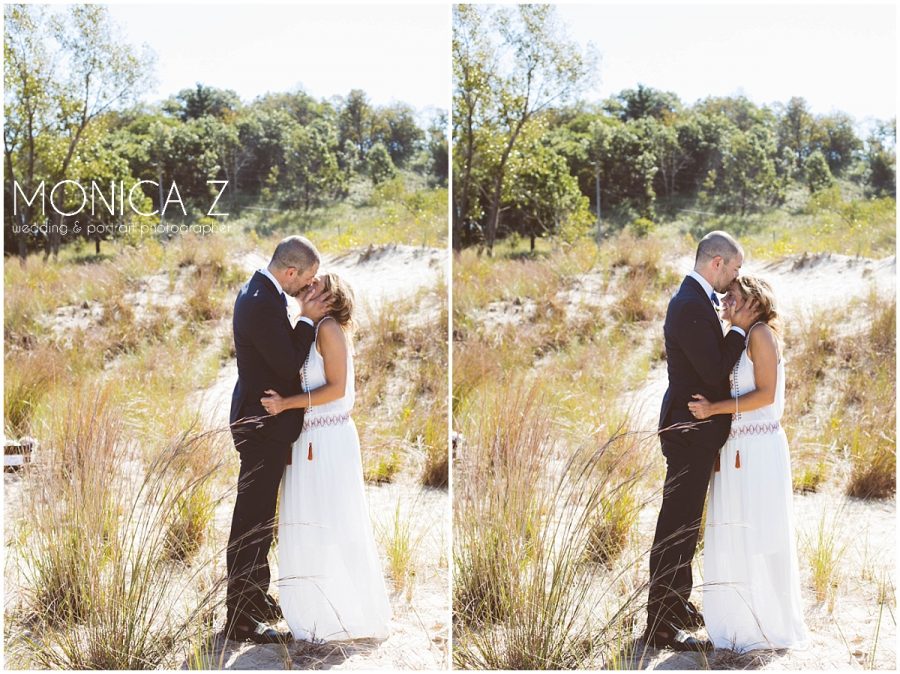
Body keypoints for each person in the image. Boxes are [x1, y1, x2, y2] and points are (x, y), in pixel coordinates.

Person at [261, 272, 392, 642]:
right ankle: (316, 611)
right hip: (307, 438)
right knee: (308, 522)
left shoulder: (329, 329)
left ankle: (352, 614)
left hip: (330, 437)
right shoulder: (306, 329)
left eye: (318, 285)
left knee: (336, 520)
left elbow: (335, 389)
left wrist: (286, 403)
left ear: (332, 299)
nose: (309, 286)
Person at [644, 231, 758, 652]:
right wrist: (740, 332)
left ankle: (674, 606)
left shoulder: (695, 299)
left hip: (693, 433)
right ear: (717, 264)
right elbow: (712, 373)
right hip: (687, 432)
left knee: (686, 524)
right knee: (676, 526)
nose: (737, 275)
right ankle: (660, 621)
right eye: (735, 267)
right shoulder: (691, 304)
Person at [688, 275, 809, 653]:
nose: (725, 301)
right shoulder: (736, 341)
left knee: (765, 531)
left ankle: (772, 623)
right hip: (733, 448)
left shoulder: (760, 334)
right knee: (734, 532)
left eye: (733, 296)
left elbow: (766, 395)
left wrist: (713, 409)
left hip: (759, 448)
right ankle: (740, 622)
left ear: (754, 301)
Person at [225, 235, 331, 644]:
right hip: (260, 426)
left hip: (260, 422)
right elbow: (287, 365)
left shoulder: (260, 291)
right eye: (306, 280)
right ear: (291, 272)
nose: (307, 287)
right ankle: (241, 619)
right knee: (251, 523)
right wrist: (306, 319)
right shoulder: (261, 302)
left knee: (259, 518)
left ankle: (252, 599)